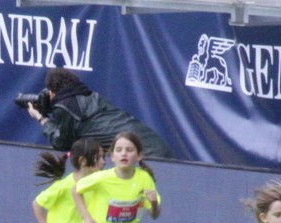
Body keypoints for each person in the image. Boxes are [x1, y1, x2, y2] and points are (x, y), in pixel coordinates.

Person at [26, 67, 173, 158]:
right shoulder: (91, 97)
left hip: (148, 157)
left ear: (52, 91)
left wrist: (42, 118)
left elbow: (62, 143)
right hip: (160, 149)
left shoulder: (65, 107)